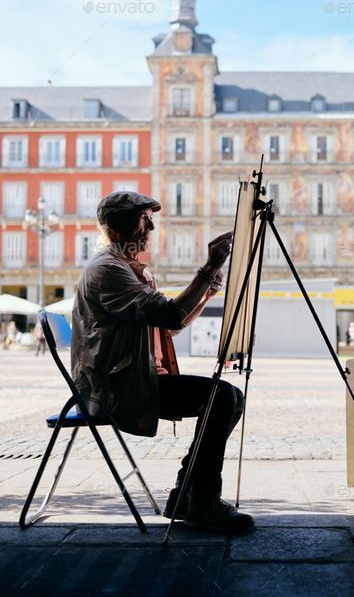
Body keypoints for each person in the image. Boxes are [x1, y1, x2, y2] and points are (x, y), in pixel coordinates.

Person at [71, 191, 254, 532]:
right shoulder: (108, 270)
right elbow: (170, 315)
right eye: (143, 218)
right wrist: (209, 267)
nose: (151, 225)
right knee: (223, 396)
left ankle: (188, 495)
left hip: (132, 378)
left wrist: (206, 294)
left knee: (230, 396)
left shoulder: (126, 268)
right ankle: (200, 500)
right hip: (114, 388)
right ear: (114, 225)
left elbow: (171, 324)